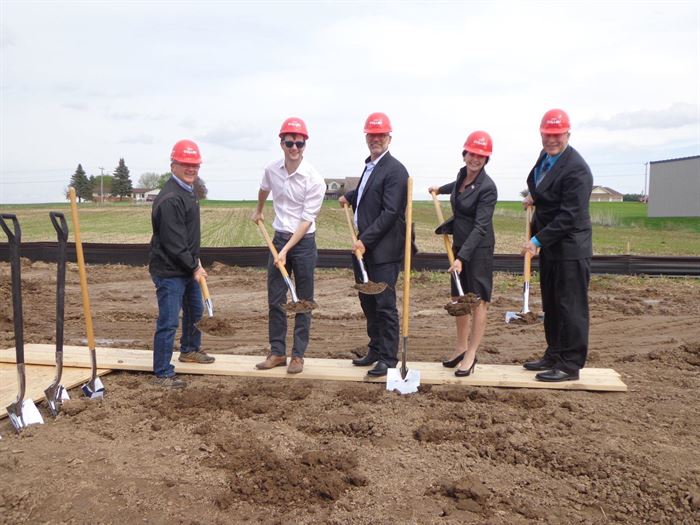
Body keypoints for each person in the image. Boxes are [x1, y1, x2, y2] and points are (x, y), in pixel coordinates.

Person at [521, 109, 593, 382]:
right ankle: (554, 354)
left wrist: (536, 240)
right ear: (541, 133)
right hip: (552, 245)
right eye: (547, 135)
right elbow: (546, 187)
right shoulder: (547, 156)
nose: (552, 140)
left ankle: (570, 364)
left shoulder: (577, 170)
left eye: (557, 135)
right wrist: (533, 196)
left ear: (568, 134)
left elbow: (569, 215)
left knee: (570, 306)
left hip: (571, 247)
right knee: (552, 303)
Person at [253, 117, 326, 374]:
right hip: (279, 237)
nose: (294, 148)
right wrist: (259, 210)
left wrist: (285, 251)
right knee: (276, 299)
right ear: (281, 143)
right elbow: (263, 189)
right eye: (289, 143)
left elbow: (306, 221)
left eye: (299, 143)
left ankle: (298, 355)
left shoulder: (314, 180)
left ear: (305, 144)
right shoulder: (272, 170)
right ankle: (277, 352)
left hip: (303, 243)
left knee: (303, 301)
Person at [339, 112, 409, 377]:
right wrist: (349, 196)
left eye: (381, 135)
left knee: (384, 304)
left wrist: (364, 241)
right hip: (364, 250)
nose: (376, 139)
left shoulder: (395, 170)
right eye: (372, 135)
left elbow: (390, 212)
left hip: (382, 251)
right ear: (366, 137)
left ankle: (389, 358)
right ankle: (376, 349)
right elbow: (368, 193)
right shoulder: (370, 166)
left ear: (389, 138)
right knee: (368, 302)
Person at [429, 131, 498, 377]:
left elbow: (481, 228)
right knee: (459, 298)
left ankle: (471, 354)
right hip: (459, 245)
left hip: (477, 249)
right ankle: (460, 347)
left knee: (477, 301)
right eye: (472, 153)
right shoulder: (462, 175)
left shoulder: (488, 188)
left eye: (480, 155)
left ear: (486, 158)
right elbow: (457, 187)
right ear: (465, 153)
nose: (475, 159)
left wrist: (461, 258)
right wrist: (440, 189)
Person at [149, 139, 215, 389]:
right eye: (185, 164)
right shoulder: (170, 199)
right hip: (169, 270)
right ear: (173, 165)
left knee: (195, 311)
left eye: (195, 164)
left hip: (186, 266)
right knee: (168, 321)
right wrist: (195, 267)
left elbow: (185, 238)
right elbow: (174, 243)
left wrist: (194, 264)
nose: (191, 168)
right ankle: (163, 372)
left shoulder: (188, 191)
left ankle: (189, 350)